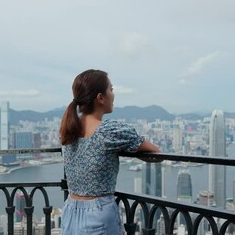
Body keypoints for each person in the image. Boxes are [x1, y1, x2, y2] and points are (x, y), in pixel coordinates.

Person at [59, 69, 160, 234]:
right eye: (111, 89)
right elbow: (156, 153)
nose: (113, 94)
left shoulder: (69, 128)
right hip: (98, 214)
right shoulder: (109, 130)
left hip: (70, 208)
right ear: (100, 98)